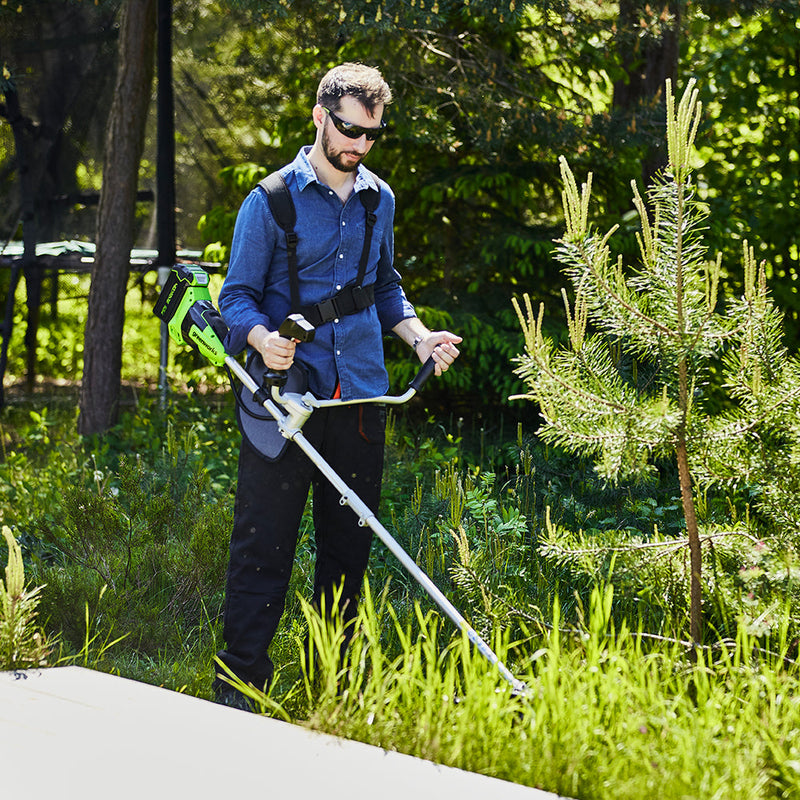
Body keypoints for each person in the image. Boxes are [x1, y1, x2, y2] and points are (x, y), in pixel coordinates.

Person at [214, 62, 461, 708]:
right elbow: (235, 297)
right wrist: (261, 338)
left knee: (347, 555)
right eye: (349, 130)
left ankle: (334, 693)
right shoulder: (269, 201)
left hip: (360, 402)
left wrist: (421, 339)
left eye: (372, 134)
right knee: (262, 549)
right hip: (285, 403)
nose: (359, 145)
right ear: (320, 118)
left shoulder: (380, 199)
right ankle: (239, 691)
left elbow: (385, 289)